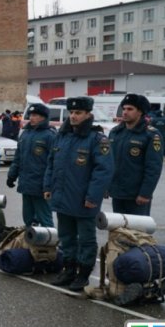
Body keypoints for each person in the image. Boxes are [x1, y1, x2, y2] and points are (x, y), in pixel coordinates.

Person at [44, 97, 114, 291]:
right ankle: (68, 269)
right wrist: (48, 187)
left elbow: (103, 171)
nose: (73, 116)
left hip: (84, 200)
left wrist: (93, 197)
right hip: (62, 197)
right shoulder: (62, 136)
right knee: (66, 236)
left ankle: (83, 274)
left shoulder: (97, 139)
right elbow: (51, 163)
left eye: (78, 113)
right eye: (71, 113)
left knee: (85, 239)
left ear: (88, 115)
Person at [108, 94, 163, 216]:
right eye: (124, 108)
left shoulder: (150, 135)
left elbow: (153, 168)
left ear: (140, 112)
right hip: (117, 194)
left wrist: (145, 193)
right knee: (119, 232)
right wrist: (106, 186)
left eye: (130, 109)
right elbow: (108, 163)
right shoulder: (115, 133)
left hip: (137, 196)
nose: (125, 112)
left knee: (136, 233)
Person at [6, 103, 56, 227]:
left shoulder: (50, 136)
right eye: (31, 115)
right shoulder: (25, 134)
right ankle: (31, 244)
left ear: (43, 117)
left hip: (41, 187)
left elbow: (54, 163)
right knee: (28, 219)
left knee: (45, 220)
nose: (32, 118)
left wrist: (48, 186)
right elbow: (18, 158)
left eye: (35, 115)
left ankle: (48, 245)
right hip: (26, 185)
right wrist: (12, 175)